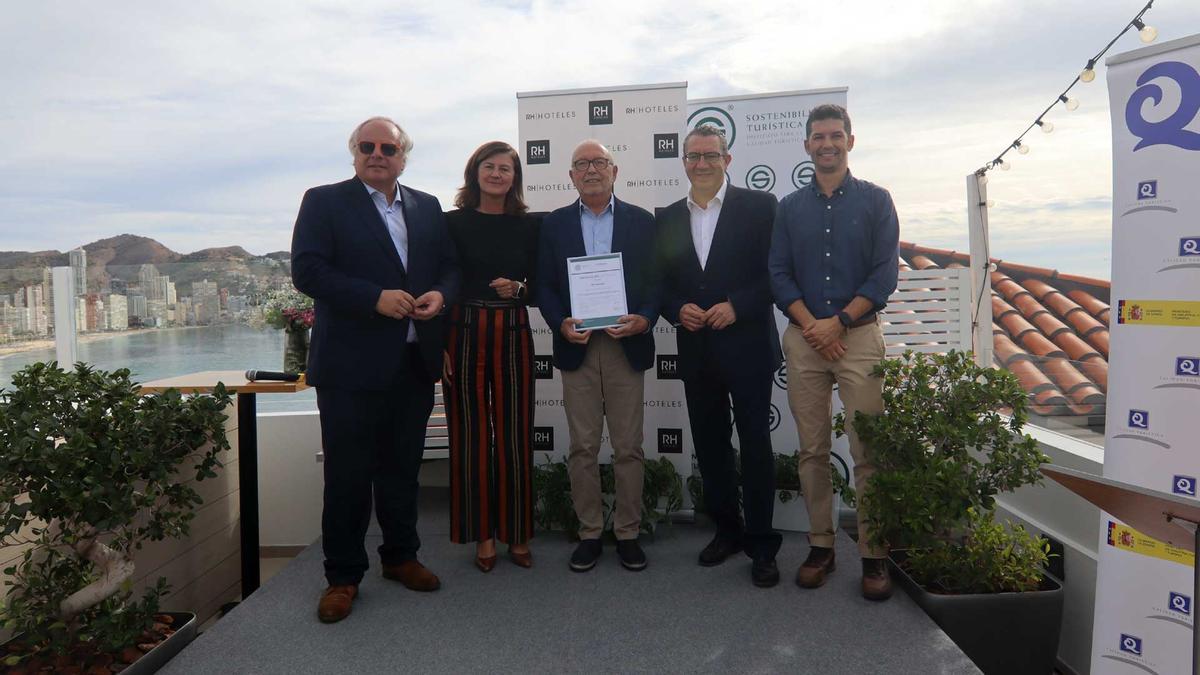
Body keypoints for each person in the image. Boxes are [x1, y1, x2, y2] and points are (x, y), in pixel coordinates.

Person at [292, 116, 460, 623]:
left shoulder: (428, 207)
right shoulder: (323, 202)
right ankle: (342, 577)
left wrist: (440, 295)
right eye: (367, 146)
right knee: (347, 476)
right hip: (349, 368)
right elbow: (308, 270)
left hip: (411, 364)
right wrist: (374, 299)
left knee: (402, 471)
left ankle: (401, 557)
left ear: (403, 158)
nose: (377, 153)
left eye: (388, 147)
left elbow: (451, 269)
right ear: (355, 153)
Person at [767, 103, 899, 601]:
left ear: (850, 140)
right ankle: (821, 545)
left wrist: (839, 322)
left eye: (835, 135)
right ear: (806, 145)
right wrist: (813, 326)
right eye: (818, 136)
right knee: (812, 450)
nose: (827, 143)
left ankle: (874, 554)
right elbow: (778, 272)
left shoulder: (876, 201)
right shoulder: (789, 207)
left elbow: (884, 274)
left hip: (859, 338)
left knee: (869, 453)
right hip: (804, 341)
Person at [656, 125, 783, 587]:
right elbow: (662, 283)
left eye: (711, 155)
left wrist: (739, 304)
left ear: (727, 160)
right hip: (697, 349)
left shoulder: (760, 207)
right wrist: (675, 309)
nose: (702, 163)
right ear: (684, 161)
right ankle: (726, 531)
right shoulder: (667, 217)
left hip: (747, 346)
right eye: (693, 156)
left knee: (755, 447)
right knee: (710, 448)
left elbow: (777, 272)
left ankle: (763, 543)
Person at [536, 140, 658, 572]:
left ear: (614, 170)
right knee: (583, 447)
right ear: (570, 176)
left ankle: (628, 531)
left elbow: (656, 281)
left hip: (626, 344)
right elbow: (544, 285)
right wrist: (560, 322)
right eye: (582, 164)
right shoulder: (553, 225)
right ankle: (589, 532)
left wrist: (644, 317)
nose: (591, 170)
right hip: (579, 347)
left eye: (599, 162)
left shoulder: (642, 222)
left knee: (628, 446)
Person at [443, 141, 539, 572]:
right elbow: (440, 284)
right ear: (475, 172)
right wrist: (440, 345)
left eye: (506, 168)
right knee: (470, 438)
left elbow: (546, 285)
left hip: (515, 331)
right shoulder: (449, 224)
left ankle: (517, 533)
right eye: (490, 166)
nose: (498, 174)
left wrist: (520, 290)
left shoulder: (530, 226)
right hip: (463, 333)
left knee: (517, 434)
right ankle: (482, 536)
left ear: (515, 177)